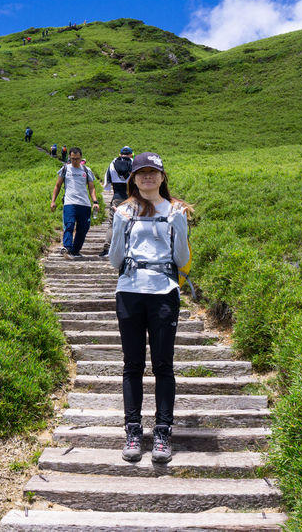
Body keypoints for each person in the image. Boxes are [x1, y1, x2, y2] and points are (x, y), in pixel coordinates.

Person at [107, 152, 191, 464]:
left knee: (163, 365)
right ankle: (132, 431)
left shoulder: (174, 210)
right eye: (141, 173)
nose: (147, 177)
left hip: (164, 291)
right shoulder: (124, 210)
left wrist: (180, 225)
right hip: (129, 290)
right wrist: (119, 225)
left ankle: (162, 432)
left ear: (162, 176)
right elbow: (115, 260)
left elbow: (181, 260)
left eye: (152, 172)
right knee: (132, 364)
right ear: (133, 178)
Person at [51, 147, 99, 258]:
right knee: (69, 224)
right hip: (69, 202)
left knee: (83, 228)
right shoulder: (65, 169)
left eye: (77, 159)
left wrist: (95, 201)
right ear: (69, 157)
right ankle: (67, 248)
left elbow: (91, 188)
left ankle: (75, 250)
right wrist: (53, 201)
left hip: (84, 204)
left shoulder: (87, 170)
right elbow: (57, 185)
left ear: (81, 157)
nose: (75, 161)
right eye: (72, 159)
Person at [99, 146, 134, 256]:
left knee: (112, 224)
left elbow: (106, 185)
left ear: (120, 154)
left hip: (117, 197)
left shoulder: (112, 163)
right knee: (132, 223)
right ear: (131, 154)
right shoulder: (134, 163)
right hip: (130, 198)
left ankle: (107, 248)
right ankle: (128, 248)